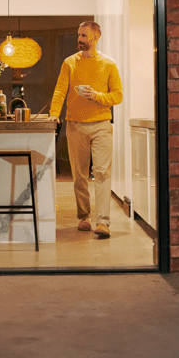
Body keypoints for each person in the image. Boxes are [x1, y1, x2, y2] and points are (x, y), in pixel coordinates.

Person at [49, 21, 123, 238]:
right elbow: (60, 91)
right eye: (78, 35)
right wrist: (54, 113)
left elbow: (117, 95)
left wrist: (97, 96)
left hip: (101, 125)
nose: (79, 39)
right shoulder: (69, 63)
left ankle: (103, 223)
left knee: (101, 173)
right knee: (79, 175)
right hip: (75, 125)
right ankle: (84, 216)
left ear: (95, 37)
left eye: (84, 35)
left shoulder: (109, 64)